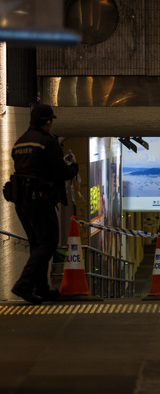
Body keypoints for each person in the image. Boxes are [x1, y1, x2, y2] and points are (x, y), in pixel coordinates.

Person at [9, 104, 79, 304]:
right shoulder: (48, 143)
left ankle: (42, 289)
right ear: (47, 122)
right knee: (48, 242)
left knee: (37, 244)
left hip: (21, 199)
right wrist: (73, 168)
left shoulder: (19, 143)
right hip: (39, 198)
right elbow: (60, 172)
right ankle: (24, 285)